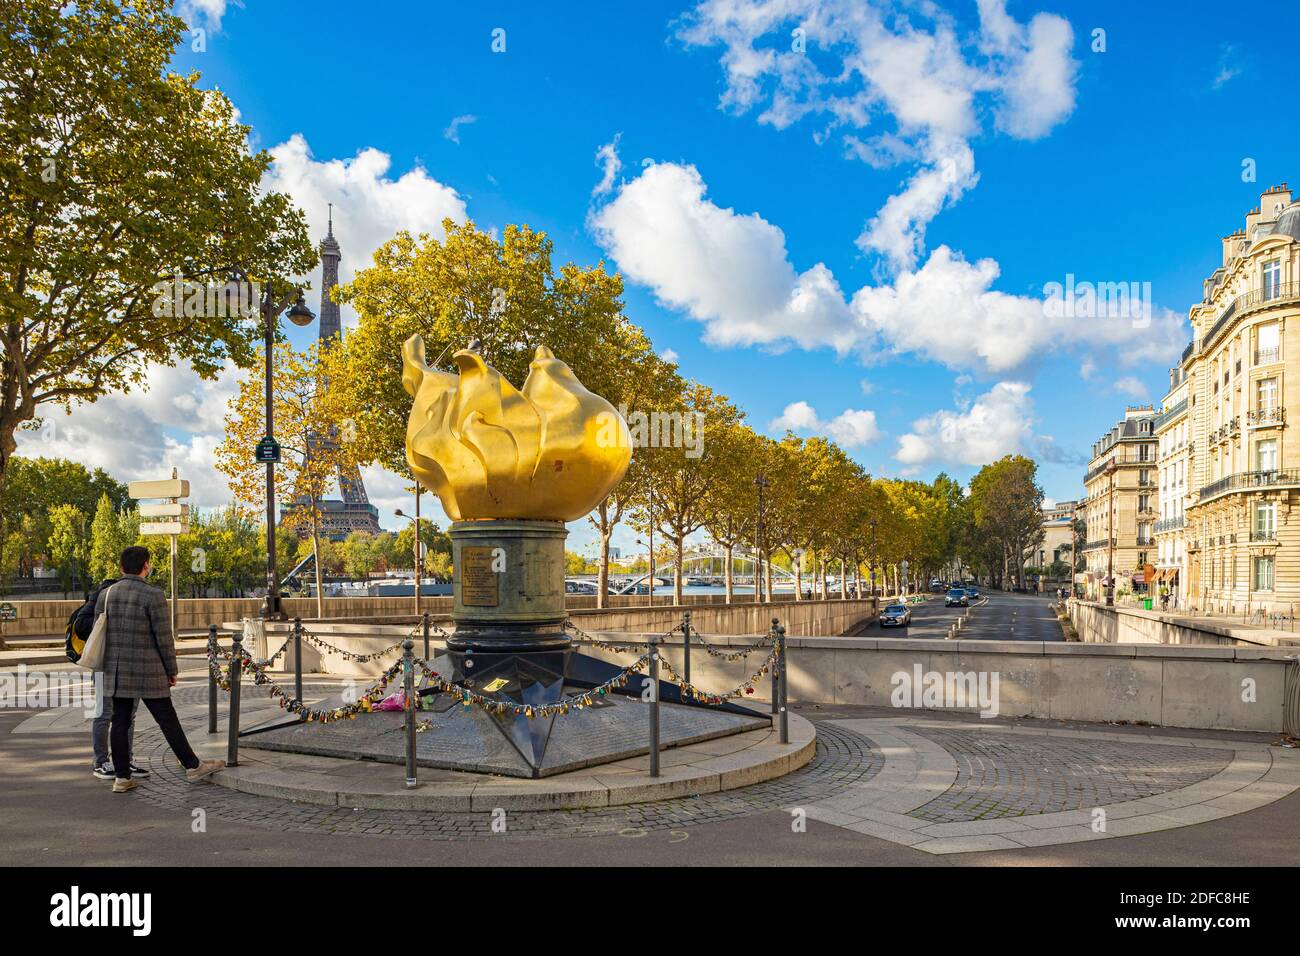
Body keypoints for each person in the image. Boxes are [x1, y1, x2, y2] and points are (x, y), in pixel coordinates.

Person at [95, 545, 224, 793]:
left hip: (117, 669)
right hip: (149, 669)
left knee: (119, 721)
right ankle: (192, 765)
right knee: (167, 719)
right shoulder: (153, 595)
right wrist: (171, 669)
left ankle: (121, 777)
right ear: (146, 566)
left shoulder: (107, 595)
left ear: (122, 568)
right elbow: (164, 638)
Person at [75, 574, 148, 780]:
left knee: (128, 716)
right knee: (104, 713)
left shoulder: (138, 594)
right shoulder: (104, 593)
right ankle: (100, 761)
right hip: (103, 663)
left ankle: (125, 759)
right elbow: (81, 624)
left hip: (129, 664)